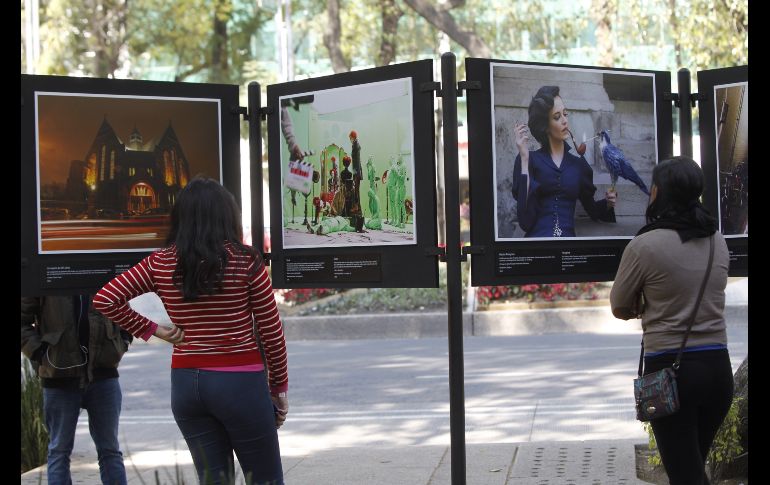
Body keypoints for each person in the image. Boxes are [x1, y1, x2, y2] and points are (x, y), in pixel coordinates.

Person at [93, 177, 288, 485]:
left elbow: (105, 298)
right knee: (266, 480)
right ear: (227, 215)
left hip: (186, 385)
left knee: (213, 480)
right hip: (239, 383)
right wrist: (278, 391)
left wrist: (153, 329)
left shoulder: (160, 262)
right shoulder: (247, 261)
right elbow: (272, 334)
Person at [610, 156, 733, 485]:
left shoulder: (644, 245)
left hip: (671, 373)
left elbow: (620, 306)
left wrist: (645, 306)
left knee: (685, 475)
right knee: (691, 469)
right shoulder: (716, 241)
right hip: (717, 370)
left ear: (657, 193)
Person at [21, 294, 132, 485]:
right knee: (59, 451)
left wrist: (123, 341)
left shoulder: (101, 268)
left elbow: (125, 312)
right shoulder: (46, 272)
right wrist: (40, 353)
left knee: (110, 450)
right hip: (58, 378)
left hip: (103, 375)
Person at [512, 85, 616, 237]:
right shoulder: (528, 160)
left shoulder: (578, 165)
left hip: (568, 249)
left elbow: (592, 210)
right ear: (545, 126)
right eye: (557, 117)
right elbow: (525, 221)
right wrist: (524, 158)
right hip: (537, 246)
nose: (565, 121)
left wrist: (608, 203)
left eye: (565, 114)